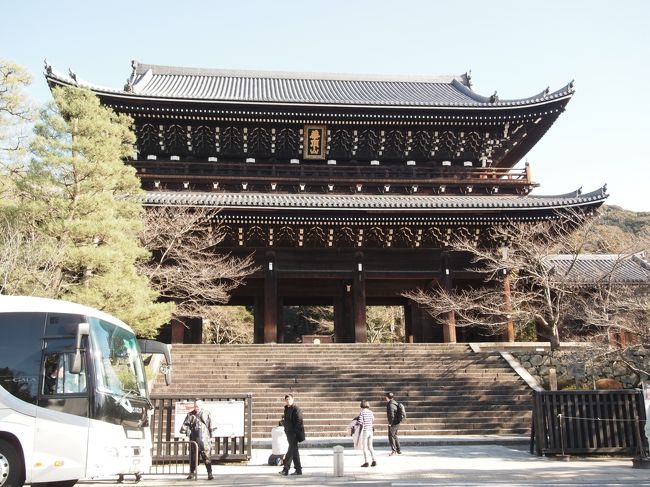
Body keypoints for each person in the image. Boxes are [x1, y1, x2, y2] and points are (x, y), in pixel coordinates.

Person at [180, 399, 214, 480]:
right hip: (194, 437)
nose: (196, 408)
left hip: (204, 438)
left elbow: (211, 425)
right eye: (195, 406)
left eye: (198, 406)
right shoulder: (190, 414)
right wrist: (186, 433)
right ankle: (192, 472)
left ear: (201, 406)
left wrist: (211, 435)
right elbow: (185, 425)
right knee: (193, 456)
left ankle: (210, 473)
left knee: (207, 456)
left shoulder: (206, 413)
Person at [279, 393, 305, 476]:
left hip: (294, 434)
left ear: (293, 400)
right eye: (286, 400)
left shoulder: (297, 409)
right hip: (288, 433)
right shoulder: (286, 409)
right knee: (294, 451)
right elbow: (287, 420)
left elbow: (299, 422)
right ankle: (298, 470)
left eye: (289, 399)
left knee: (290, 451)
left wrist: (295, 432)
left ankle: (286, 469)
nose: (288, 401)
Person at [358, 400, 377, 467]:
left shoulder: (362, 412)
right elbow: (373, 420)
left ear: (361, 405)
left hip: (365, 431)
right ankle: (374, 460)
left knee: (365, 447)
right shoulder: (370, 412)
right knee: (370, 447)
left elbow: (360, 422)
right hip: (370, 430)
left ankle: (366, 462)